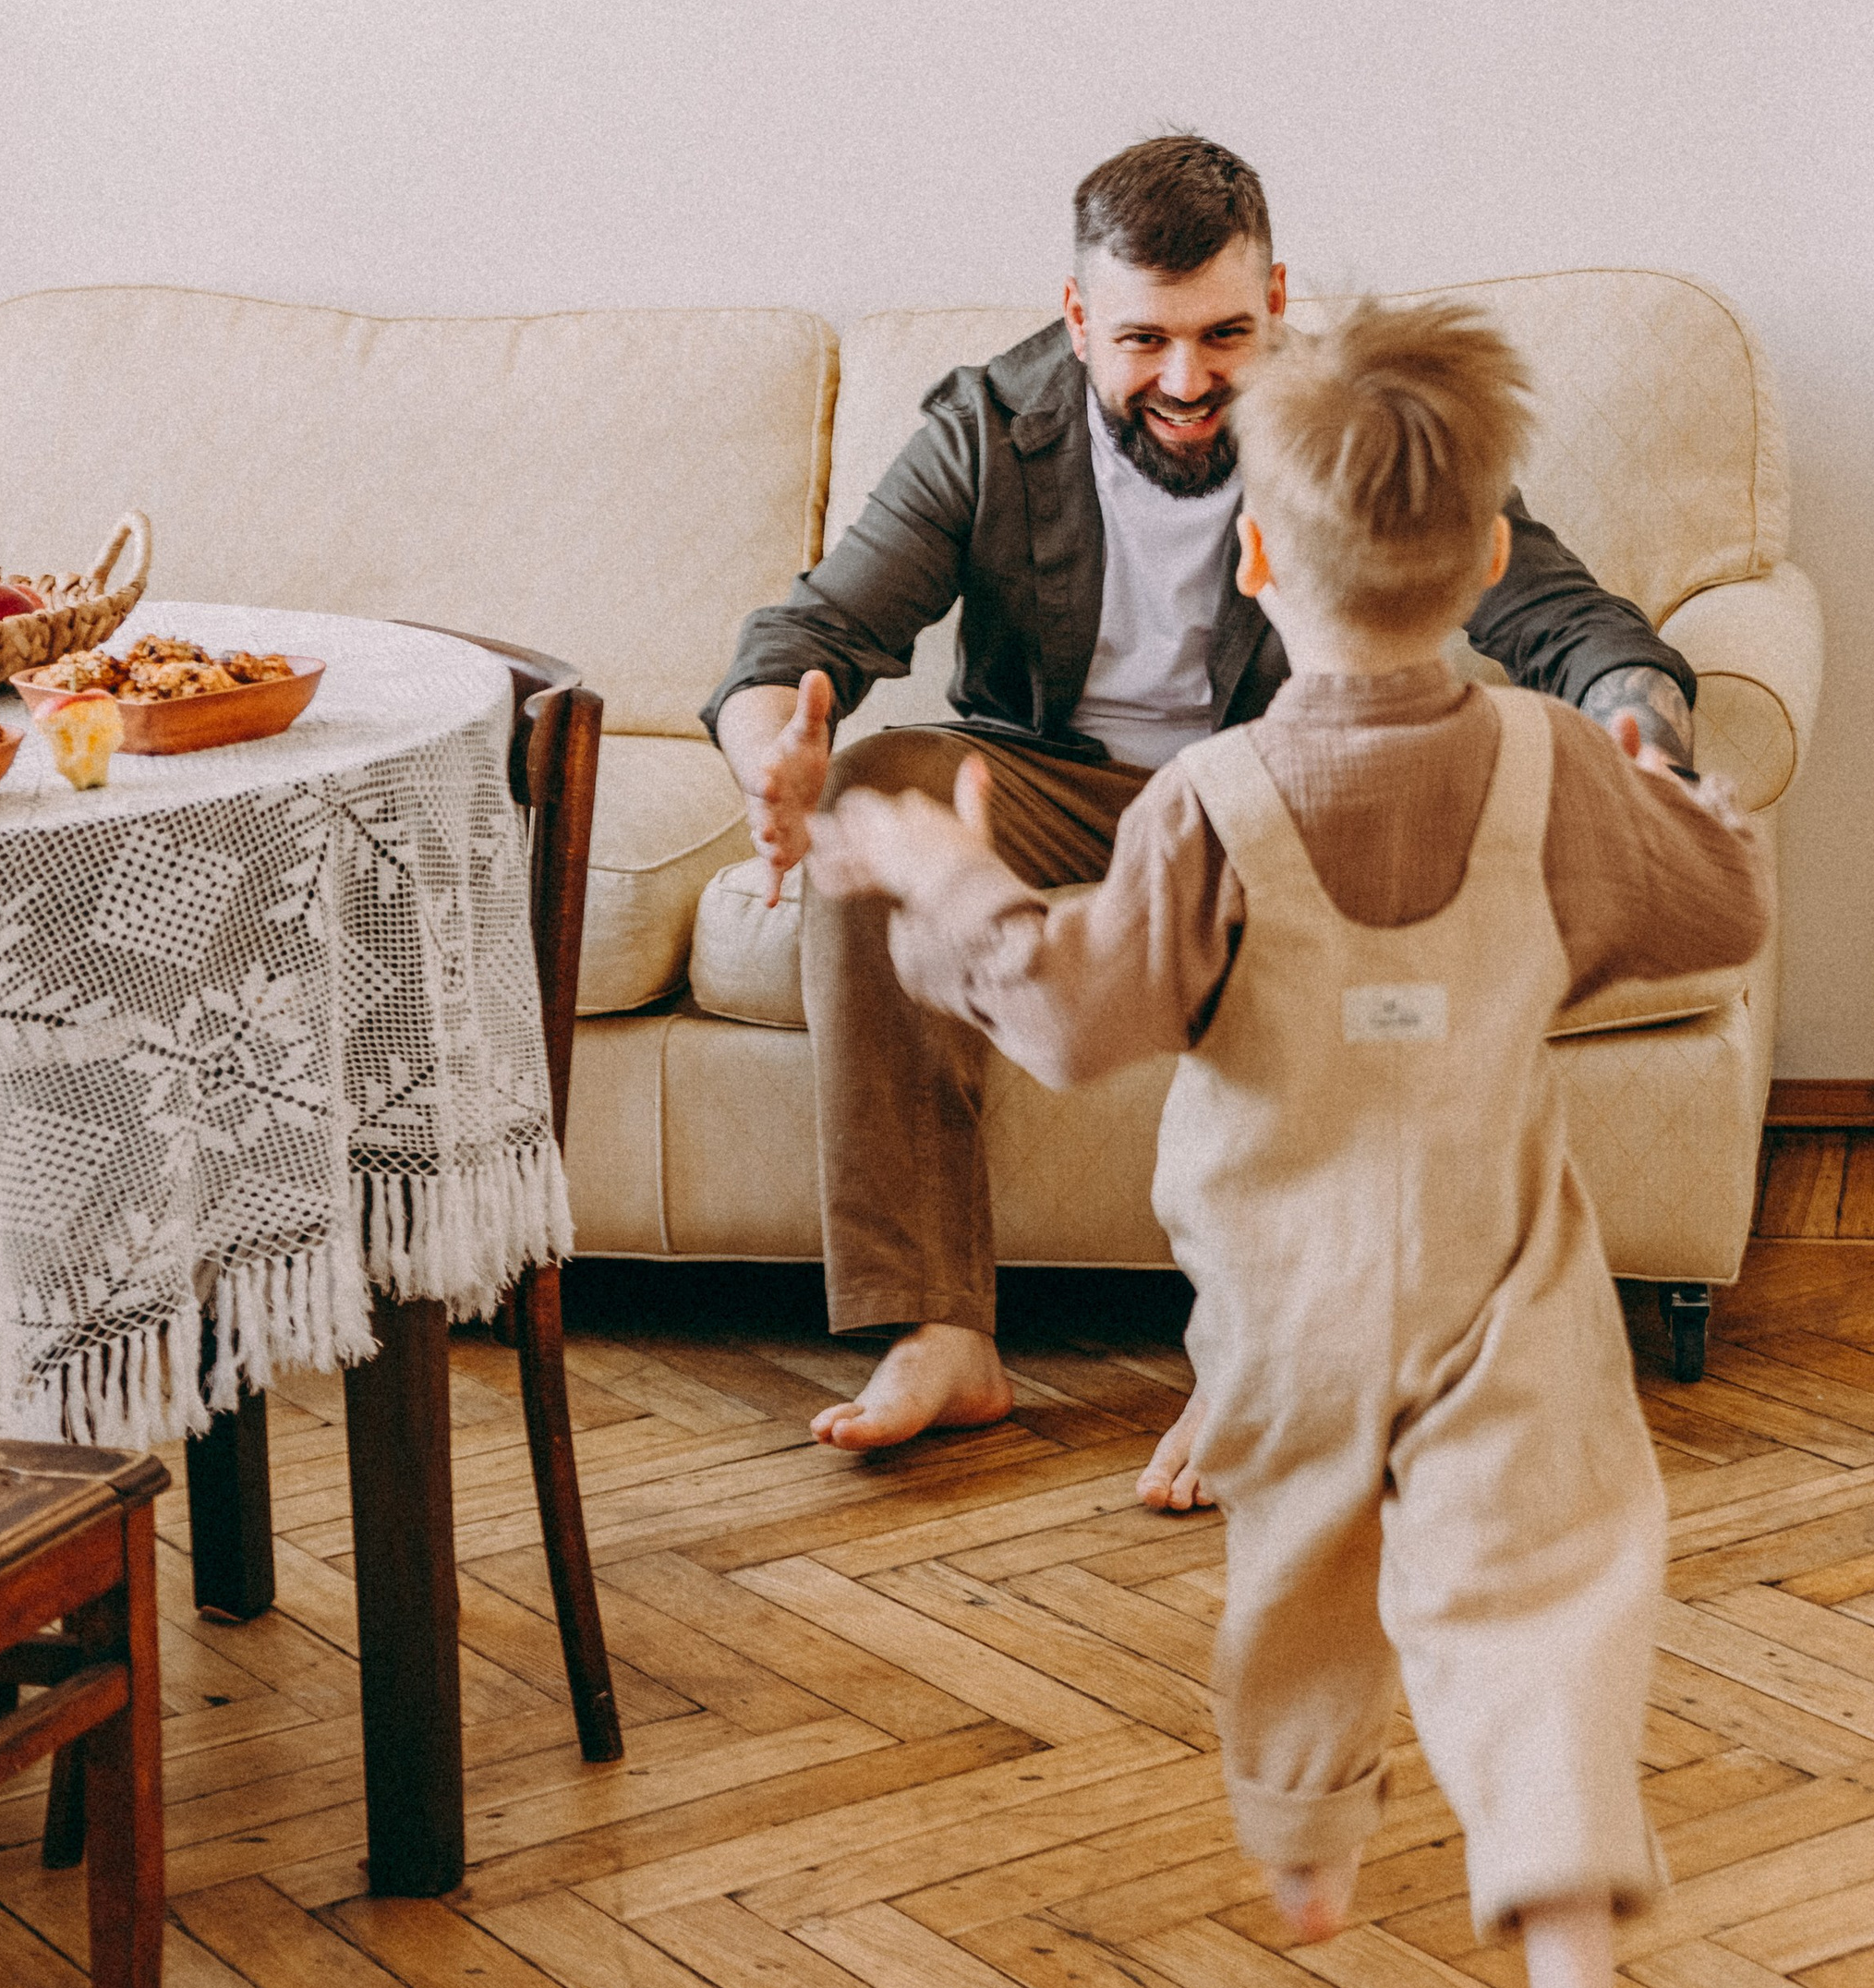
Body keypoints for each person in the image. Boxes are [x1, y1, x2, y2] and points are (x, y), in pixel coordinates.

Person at [804, 295, 1770, 1988]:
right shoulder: (1539, 768)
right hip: (1505, 1275)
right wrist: (1644, 807)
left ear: (1255, 551)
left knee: (1298, 1561)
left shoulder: (1208, 802)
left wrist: (944, 880)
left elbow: (1072, 1023)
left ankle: (1311, 1848)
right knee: (1537, 1605)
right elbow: (1716, 908)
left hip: (1279, 1296)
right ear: (1492, 555)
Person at [705, 135, 1699, 1465]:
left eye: (1225, 334)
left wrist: (1639, 718)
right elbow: (801, 646)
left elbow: (1558, 612)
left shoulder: (1353, 419)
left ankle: (1282, 1348)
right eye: (1144, 342)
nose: (1186, 381)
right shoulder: (988, 430)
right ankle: (937, 1331)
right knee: (887, 788)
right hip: (1054, 776)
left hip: (1275, 782)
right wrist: (779, 753)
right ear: (1078, 319)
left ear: (1276, 301)